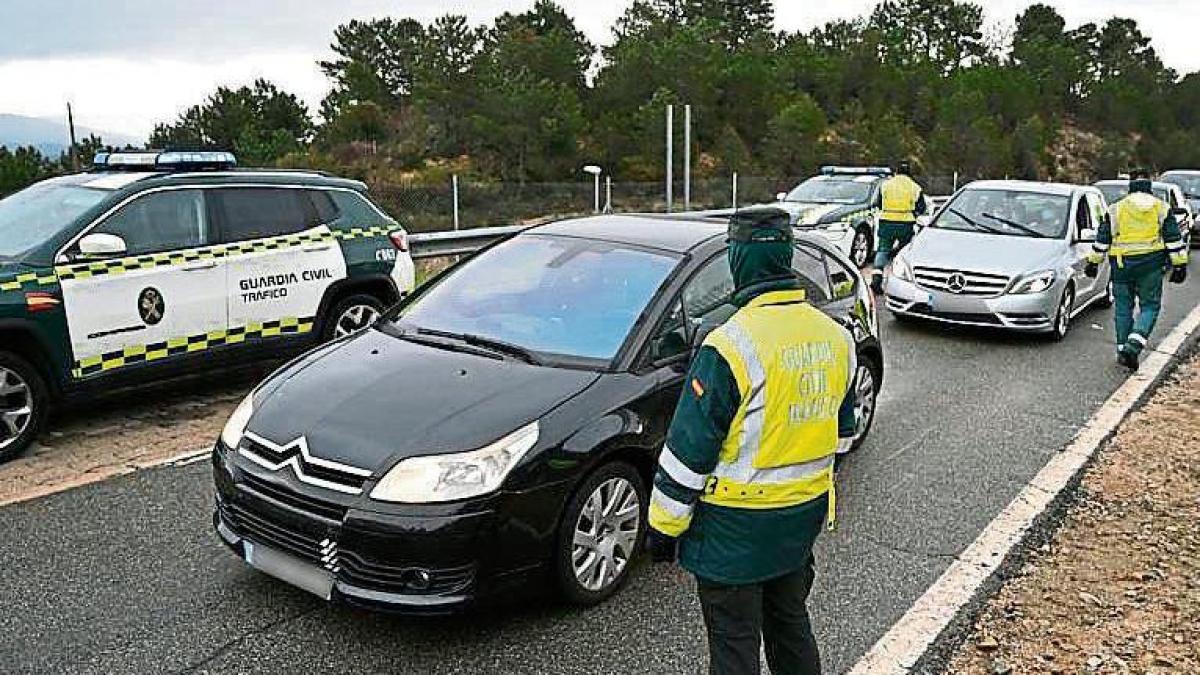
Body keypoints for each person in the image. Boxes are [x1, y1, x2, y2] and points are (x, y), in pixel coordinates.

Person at [647, 206, 858, 675]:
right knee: (790, 624)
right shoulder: (837, 338)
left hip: (732, 533)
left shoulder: (730, 345)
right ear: (787, 257)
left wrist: (663, 528)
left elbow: (687, 455)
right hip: (800, 522)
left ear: (737, 260)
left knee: (734, 646)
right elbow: (843, 436)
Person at [1086, 169, 1189, 371]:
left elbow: (1103, 238)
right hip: (1150, 266)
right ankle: (1133, 345)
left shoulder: (1116, 208)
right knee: (1150, 306)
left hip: (1121, 266)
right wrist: (1179, 265)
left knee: (1123, 307)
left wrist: (1093, 262)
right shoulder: (1161, 208)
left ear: (1130, 185)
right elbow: (1173, 239)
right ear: (1150, 184)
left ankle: (1123, 349)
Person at [871, 161, 927, 294]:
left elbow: (877, 203)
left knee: (883, 250)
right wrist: (912, 213)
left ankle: (876, 279)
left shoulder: (885, 185)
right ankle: (900, 281)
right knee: (904, 252)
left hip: (886, 222)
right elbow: (921, 208)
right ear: (909, 173)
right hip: (906, 223)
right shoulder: (915, 187)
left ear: (896, 172)